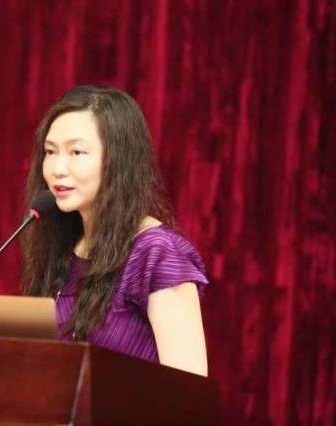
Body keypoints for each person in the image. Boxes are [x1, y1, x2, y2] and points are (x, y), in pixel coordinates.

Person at [22, 85, 209, 376]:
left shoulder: (156, 253)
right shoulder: (65, 246)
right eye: (50, 151)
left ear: (118, 160)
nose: (58, 168)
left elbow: (189, 389)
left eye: (76, 152)